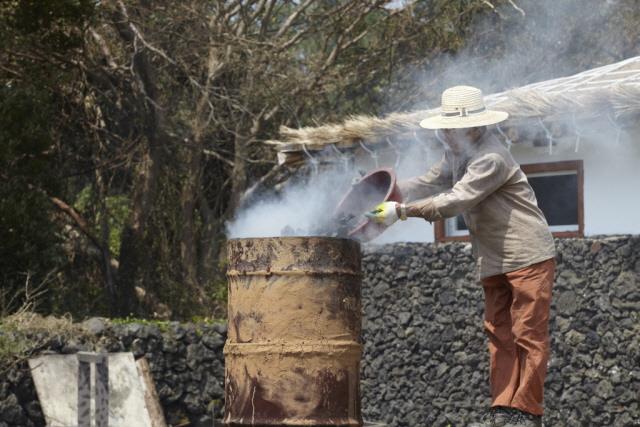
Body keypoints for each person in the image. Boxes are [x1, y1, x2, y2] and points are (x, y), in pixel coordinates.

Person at [367, 86, 556, 427]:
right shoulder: (456, 154)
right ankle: (503, 409)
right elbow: (429, 180)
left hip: (527, 254)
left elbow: (456, 199)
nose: (444, 134)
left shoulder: (491, 158)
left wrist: (402, 211)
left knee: (527, 332)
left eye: (449, 129)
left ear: (472, 127)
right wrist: (381, 194)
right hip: (493, 257)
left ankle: (527, 411)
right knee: (499, 332)